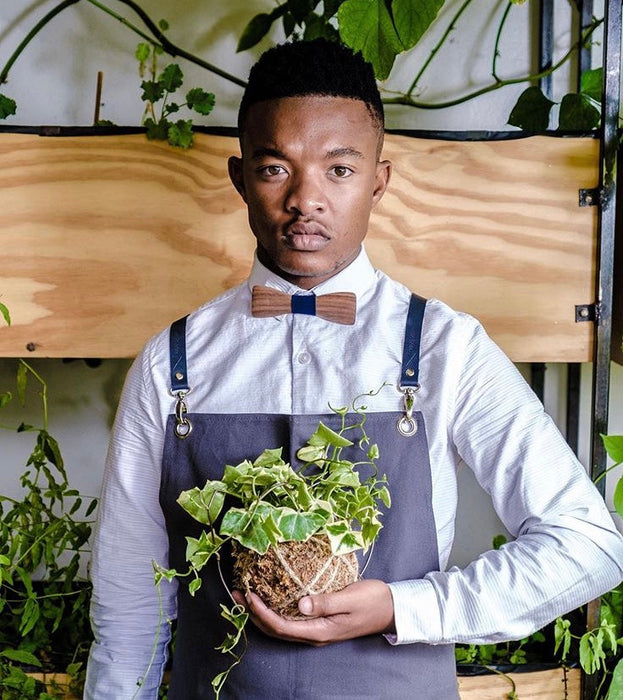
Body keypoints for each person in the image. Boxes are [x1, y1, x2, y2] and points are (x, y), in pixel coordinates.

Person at [84, 38, 623, 699]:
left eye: (338, 170)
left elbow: (587, 544)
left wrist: (406, 607)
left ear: (378, 180)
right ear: (238, 177)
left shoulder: (443, 347)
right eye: (276, 168)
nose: (305, 200)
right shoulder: (174, 358)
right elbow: (130, 599)